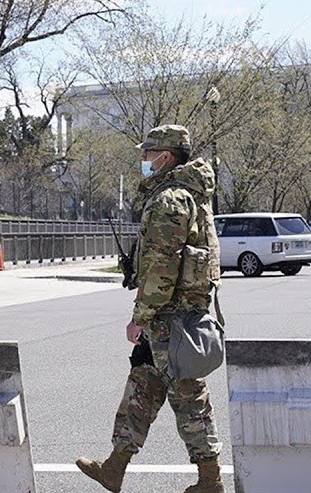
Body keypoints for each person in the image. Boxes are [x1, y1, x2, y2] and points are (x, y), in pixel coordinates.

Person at [76, 124, 224, 493]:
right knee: (142, 384)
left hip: (171, 320)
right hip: (179, 315)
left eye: (148, 154)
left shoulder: (171, 199)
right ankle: (114, 467)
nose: (143, 160)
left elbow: (162, 265)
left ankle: (211, 481)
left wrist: (139, 317)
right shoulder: (191, 195)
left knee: (189, 399)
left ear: (166, 157)